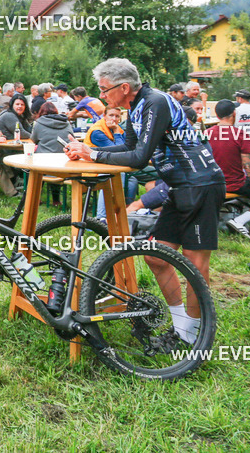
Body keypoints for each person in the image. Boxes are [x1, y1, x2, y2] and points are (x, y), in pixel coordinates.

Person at [65, 57, 225, 345]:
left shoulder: (156, 102)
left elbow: (139, 158)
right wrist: (86, 149)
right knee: (155, 256)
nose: (101, 96)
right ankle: (182, 328)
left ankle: (195, 337)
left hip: (201, 185)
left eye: (104, 90)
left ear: (124, 87)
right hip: (178, 187)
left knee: (194, 265)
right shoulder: (135, 107)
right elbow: (128, 146)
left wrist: (95, 155)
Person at [206, 99, 250, 237]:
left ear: (217, 115)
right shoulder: (240, 134)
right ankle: (239, 221)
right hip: (235, 184)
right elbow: (248, 166)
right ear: (234, 113)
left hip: (212, 184)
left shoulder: (206, 134)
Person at [83, 106, 138, 220]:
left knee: (132, 180)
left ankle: (125, 213)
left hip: (109, 163)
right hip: (92, 167)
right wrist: (117, 132)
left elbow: (127, 149)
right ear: (104, 116)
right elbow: (116, 149)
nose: (114, 119)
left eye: (117, 116)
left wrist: (117, 131)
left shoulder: (116, 128)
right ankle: (102, 217)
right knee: (113, 177)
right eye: (111, 115)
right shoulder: (97, 131)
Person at [31, 101, 73, 206]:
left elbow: (34, 140)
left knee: (36, 169)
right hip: (63, 160)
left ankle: (36, 198)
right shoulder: (66, 122)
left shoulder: (39, 123)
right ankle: (56, 200)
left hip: (43, 161)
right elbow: (72, 139)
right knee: (55, 169)